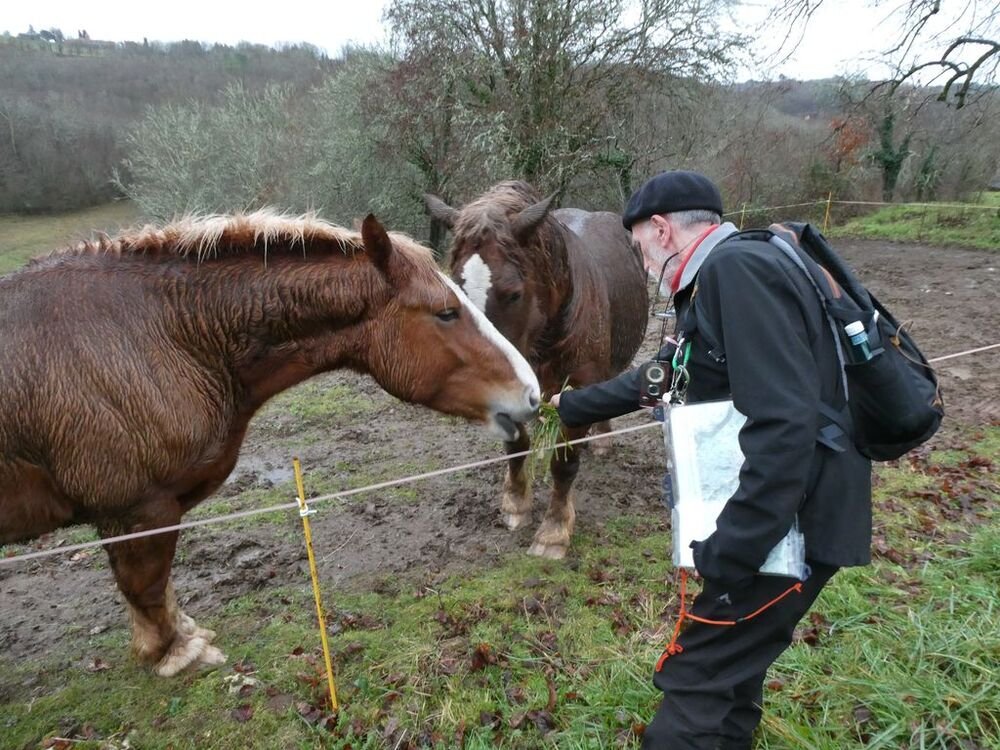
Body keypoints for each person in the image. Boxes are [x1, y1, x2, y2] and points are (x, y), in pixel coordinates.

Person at [551, 170, 872, 749]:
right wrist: (568, 404)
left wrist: (733, 549)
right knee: (731, 671)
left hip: (791, 525)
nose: (644, 266)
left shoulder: (736, 274)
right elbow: (667, 374)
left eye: (639, 249)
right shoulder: (722, 278)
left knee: (696, 678)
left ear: (661, 229)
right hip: (794, 513)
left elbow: (784, 423)